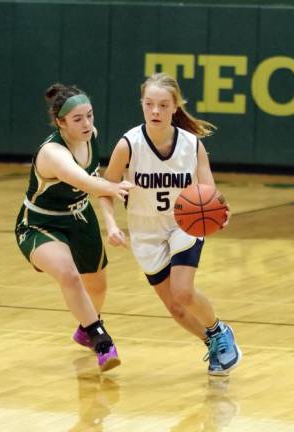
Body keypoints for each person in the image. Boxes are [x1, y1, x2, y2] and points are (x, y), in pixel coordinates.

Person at [98, 72, 241, 376]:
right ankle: (213, 341)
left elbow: (210, 193)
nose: (155, 111)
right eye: (149, 104)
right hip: (144, 231)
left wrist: (221, 211)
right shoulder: (129, 145)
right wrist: (110, 224)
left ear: (175, 106)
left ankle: (219, 330)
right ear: (142, 105)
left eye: (163, 105)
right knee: (175, 310)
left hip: (184, 225)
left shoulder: (192, 145)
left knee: (183, 292)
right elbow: (105, 189)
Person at [14, 83, 133, 371]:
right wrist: (113, 186)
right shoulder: (52, 152)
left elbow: (94, 186)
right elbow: (84, 181)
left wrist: (110, 223)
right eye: (78, 119)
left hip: (80, 217)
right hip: (40, 222)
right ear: (60, 122)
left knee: (98, 286)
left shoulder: (91, 136)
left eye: (90, 116)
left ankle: (85, 328)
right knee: (68, 273)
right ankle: (102, 340)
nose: (87, 123)